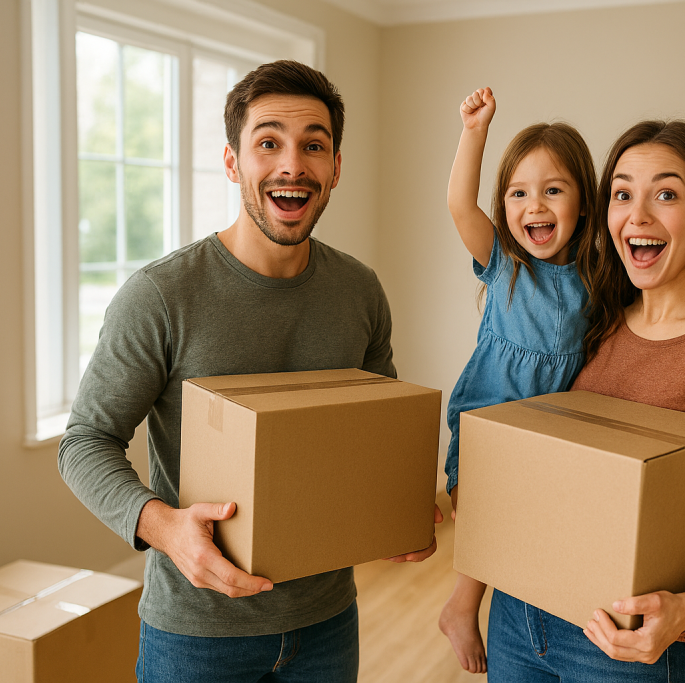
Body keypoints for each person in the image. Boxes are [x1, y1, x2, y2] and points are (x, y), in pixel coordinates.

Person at [58, 60, 440, 683]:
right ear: (234, 162)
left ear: (336, 167)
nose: (292, 165)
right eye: (269, 142)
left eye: (313, 145)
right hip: (197, 636)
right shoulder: (162, 295)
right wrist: (167, 530)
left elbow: (377, 432)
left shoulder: (359, 292)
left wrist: (396, 508)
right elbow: (84, 445)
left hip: (326, 623)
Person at [484, 120, 685, 682]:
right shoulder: (592, 318)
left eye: (666, 194)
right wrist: (469, 593)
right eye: (622, 194)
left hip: (625, 647)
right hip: (516, 616)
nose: (638, 215)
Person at [437, 87, 598, 674]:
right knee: (484, 509)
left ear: (585, 202)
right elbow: (459, 203)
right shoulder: (505, 262)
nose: (535, 205)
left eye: (553, 190)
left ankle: (506, 607)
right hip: (494, 405)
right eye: (519, 192)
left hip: (554, 421)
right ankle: (461, 604)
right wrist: (474, 131)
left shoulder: (598, 273)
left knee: (534, 525)